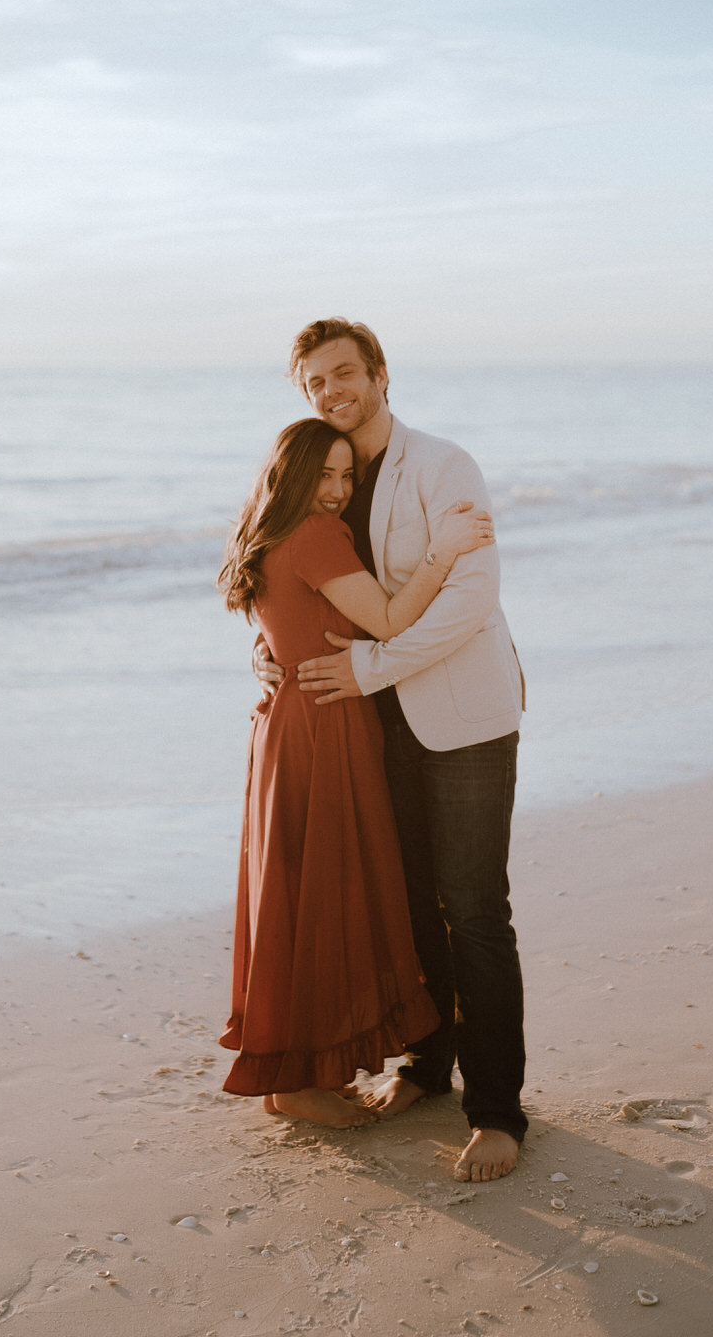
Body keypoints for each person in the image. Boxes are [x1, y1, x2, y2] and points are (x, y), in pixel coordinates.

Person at [256, 319, 527, 1181]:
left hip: (462, 719)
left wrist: (366, 667)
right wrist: (275, 652)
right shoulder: (323, 480)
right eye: (315, 383)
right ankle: (425, 1066)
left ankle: (496, 1113)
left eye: (343, 373)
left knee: (474, 914)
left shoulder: (444, 466)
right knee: (410, 908)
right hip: (373, 731)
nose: (332, 391)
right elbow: (294, 583)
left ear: (378, 374)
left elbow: (468, 601)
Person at [217, 417, 495, 1128]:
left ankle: (298, 1070)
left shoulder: (263, 530)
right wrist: (443, 552)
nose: (338, 491)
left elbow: (284, 623)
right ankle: (295, 1083)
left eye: (348, 477)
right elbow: (393, 621)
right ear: (293, 474)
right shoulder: (316, 534)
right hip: (323, 724)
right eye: (325, 476)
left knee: (298, 892)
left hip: (286, 720)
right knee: (320, 899)